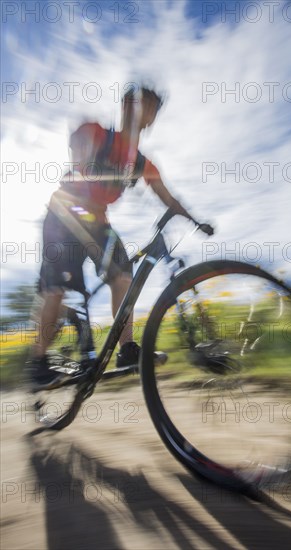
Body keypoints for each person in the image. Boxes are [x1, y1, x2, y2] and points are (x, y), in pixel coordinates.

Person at [30, 85, 213, 388]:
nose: (142, 109)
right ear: (124, 106)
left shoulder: (142, 163)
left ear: (151, 118)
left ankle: (126, 350)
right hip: (63, 215)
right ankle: (37, 365)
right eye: (137, 102)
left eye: (149, 106)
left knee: (123, 276)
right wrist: (84, 154)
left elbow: (168, 197)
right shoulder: (98, 133)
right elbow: (77, 143)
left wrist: (196, 221)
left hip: (98, 224)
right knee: (58, 288)